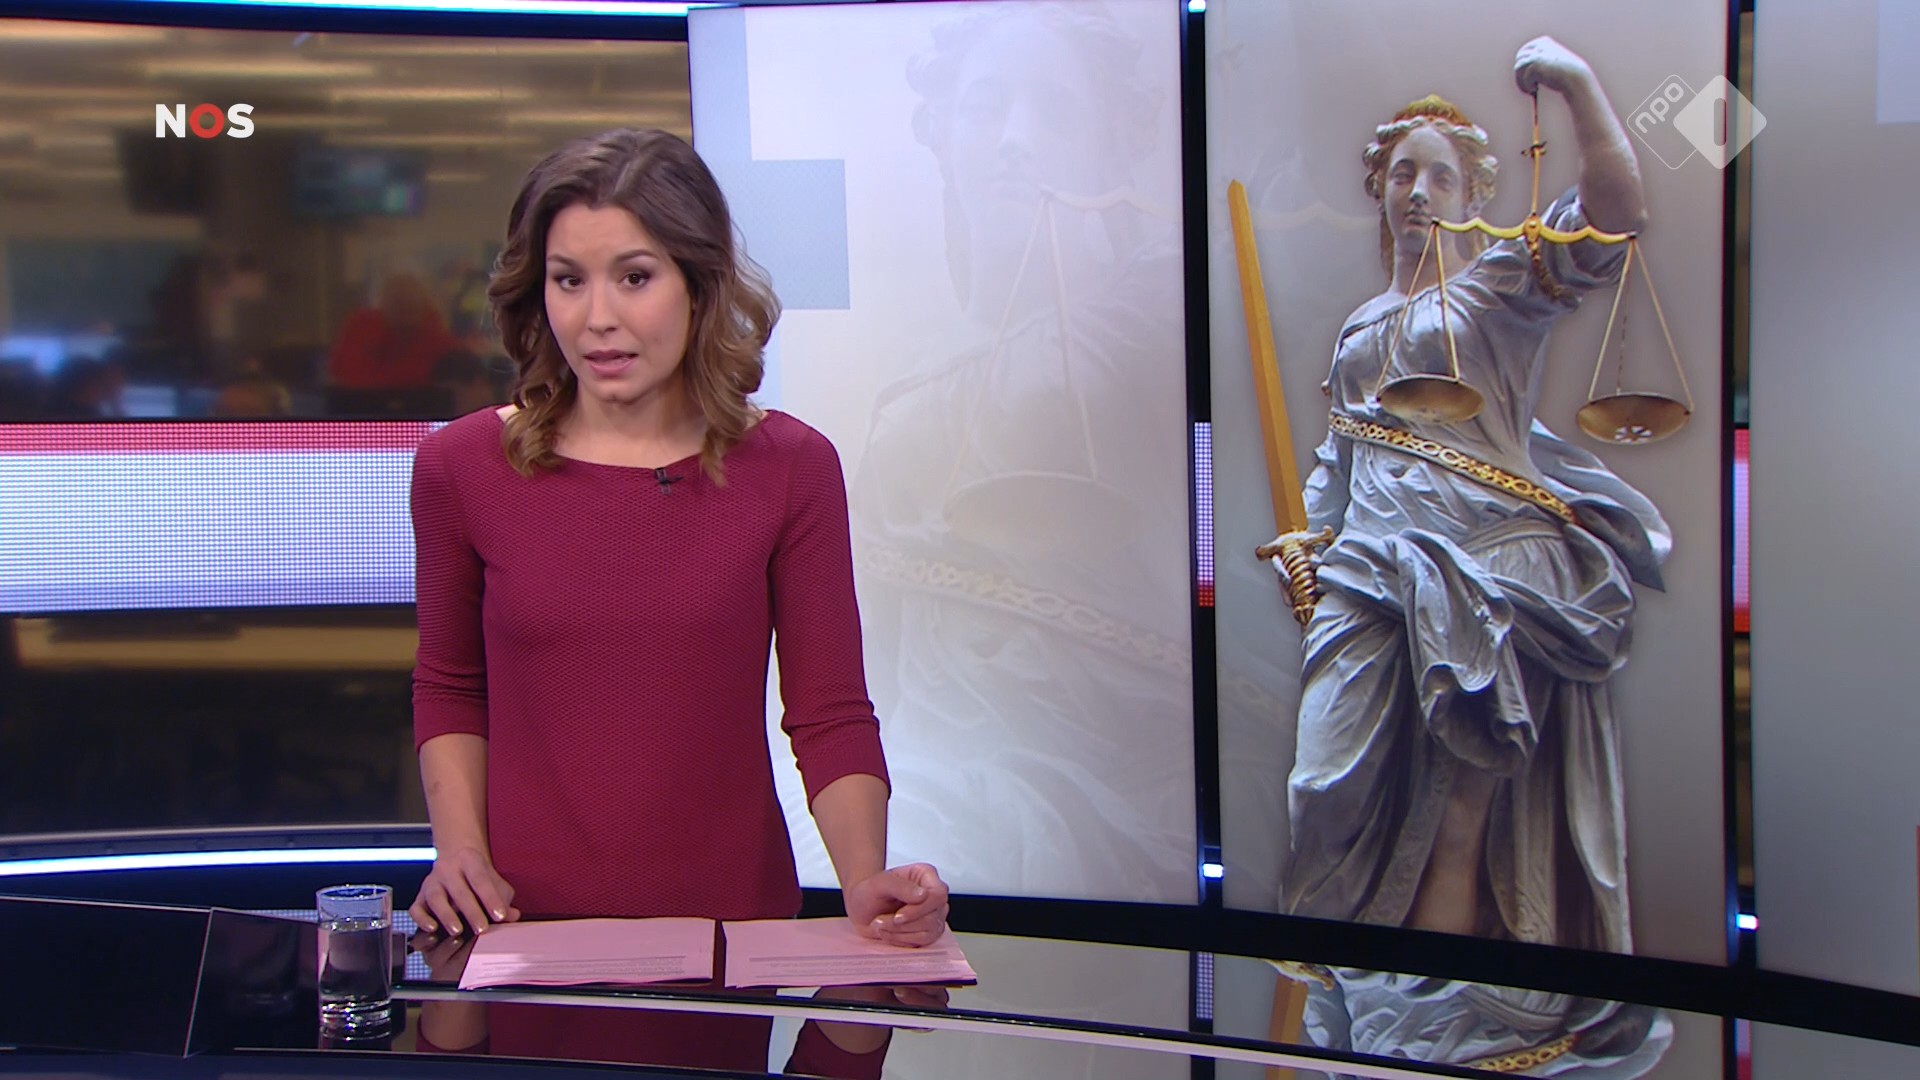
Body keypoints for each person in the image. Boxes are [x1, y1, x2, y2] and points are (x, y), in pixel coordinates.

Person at [405, 128, 950, 1067]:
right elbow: (451, 685)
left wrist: (866, 883)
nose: (598, 318)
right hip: (519, 929)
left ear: (699, 285)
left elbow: (828, 711)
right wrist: (460, 855)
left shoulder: (791, 468)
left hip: (726, 930)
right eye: (568, 280)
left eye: (634, 277)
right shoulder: (462, 468)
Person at [1268, 36, 1671, 952]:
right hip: (1368, 571)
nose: (1419, 192)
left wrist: (1574, 83)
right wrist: (1311, 541)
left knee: (1457, 823)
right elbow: (1343, 450)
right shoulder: (1362, 324)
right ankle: (1351, 979)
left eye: (1441, 177)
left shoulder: (1499, 289)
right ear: (1381, 190)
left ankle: (1431, 1003)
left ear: (1472, 198)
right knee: (1324, 787)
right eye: (1403, 174)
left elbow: (1617, 211)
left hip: (1480, 564)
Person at [850, 0, 1193, 901]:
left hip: (1101, 771)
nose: (1013, 140)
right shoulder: (920, 380)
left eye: (1056, 110)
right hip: (927, 756)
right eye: (985, 106)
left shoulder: (1158, 311)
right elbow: (876, 652)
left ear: (1109, 150)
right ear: (946, 140)